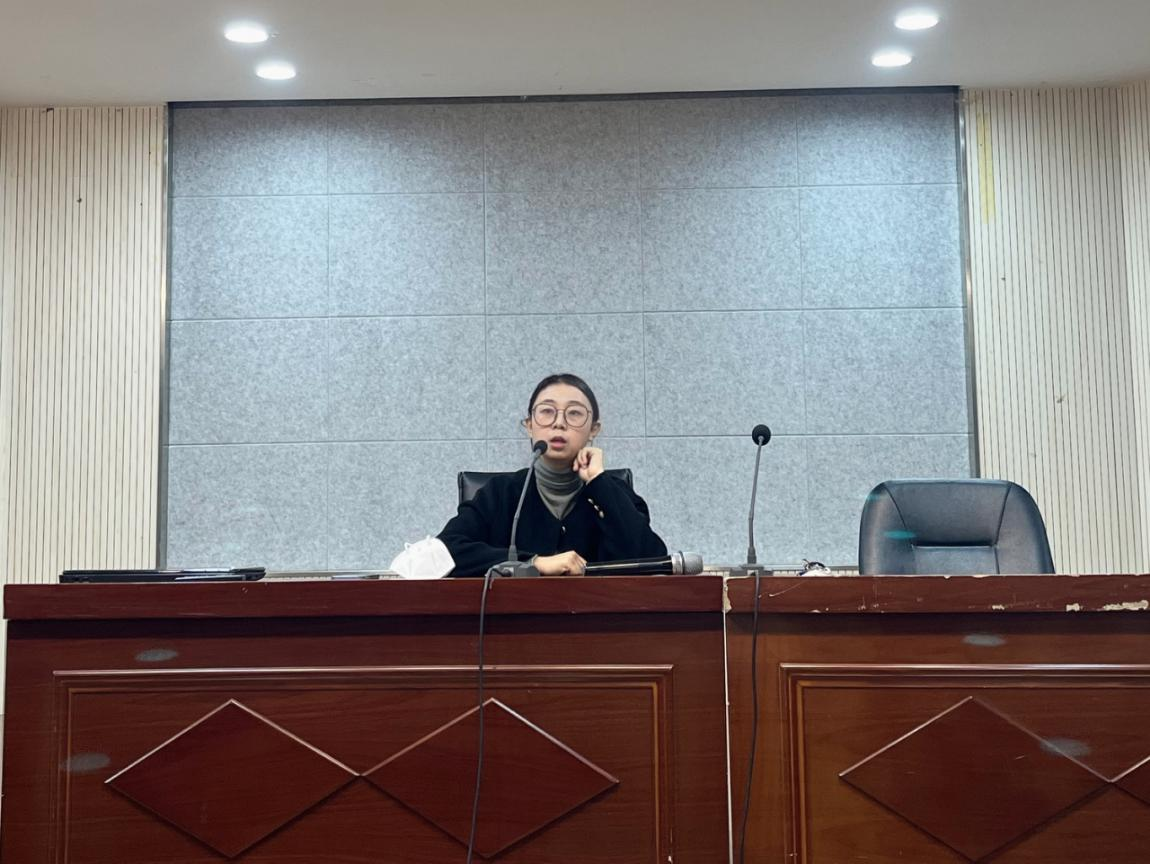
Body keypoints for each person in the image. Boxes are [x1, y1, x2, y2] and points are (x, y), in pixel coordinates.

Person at [438, 373, 667, 576]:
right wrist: (532, 563)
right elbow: (444, 552)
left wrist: (599, 482)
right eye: (547, 411)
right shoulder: (500, 493)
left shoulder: (615, 493)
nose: (559, 423)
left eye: (574, 413)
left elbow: (654, 561)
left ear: (594, 430)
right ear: (529, 425)